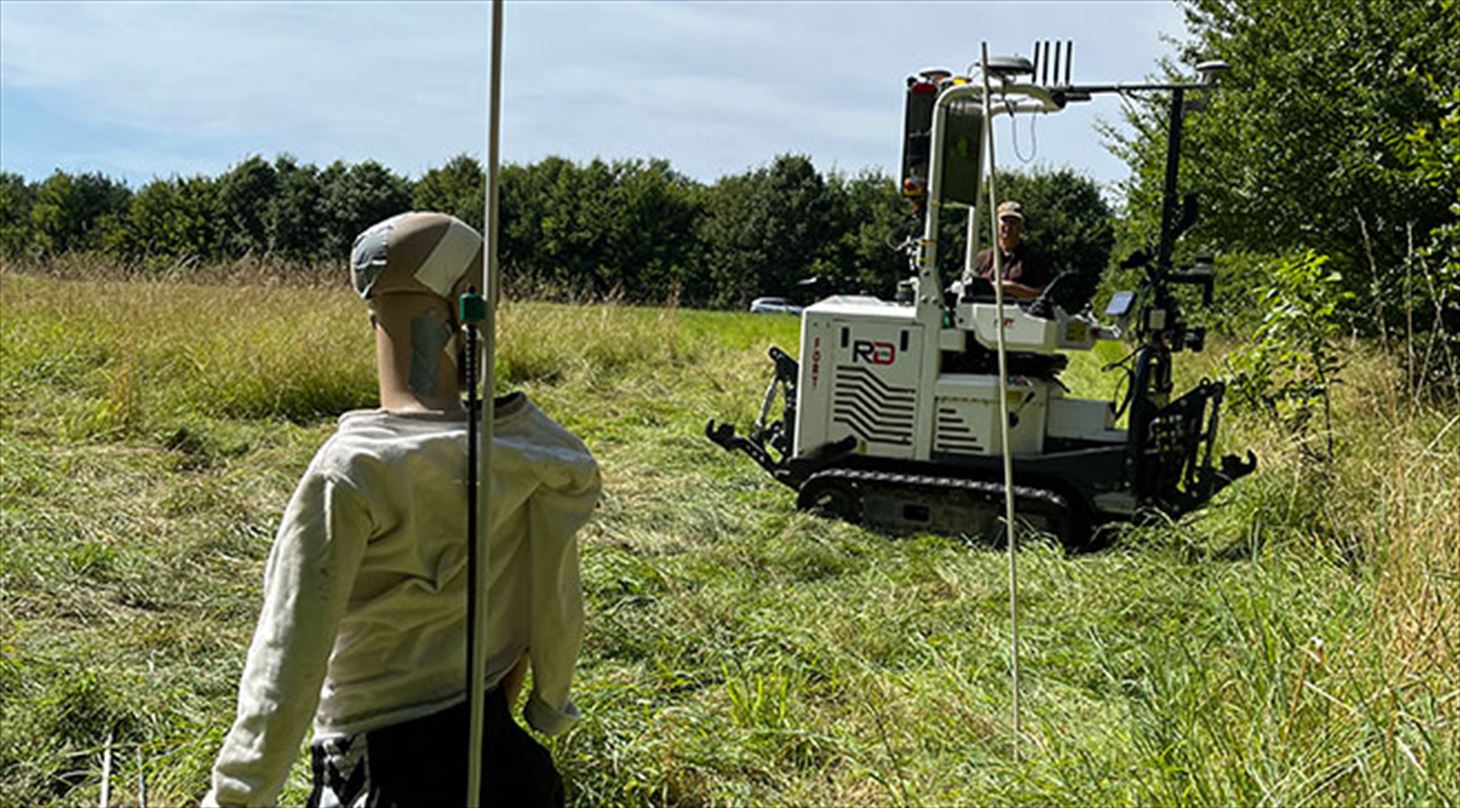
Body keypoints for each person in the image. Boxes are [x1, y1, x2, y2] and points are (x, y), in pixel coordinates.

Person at [204, 212, 601, 808]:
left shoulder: (353, 472)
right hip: (504, 766)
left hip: (381, 772)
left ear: (373, 313)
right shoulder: (534, 454)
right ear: (471, 309)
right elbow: (554, 601)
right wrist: (549, 701)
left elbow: (287, 660)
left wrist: (234, 800)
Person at [970, 200, 1052, 300]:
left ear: (1021, 226)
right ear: (995, 223)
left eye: (1013, 222)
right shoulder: (982, 258)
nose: (1008, 226)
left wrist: (1012, 288)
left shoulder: (1034, 259)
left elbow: (1045, 293)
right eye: (1004, 220)